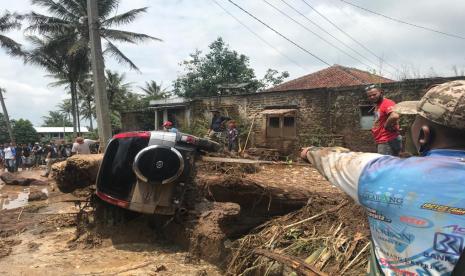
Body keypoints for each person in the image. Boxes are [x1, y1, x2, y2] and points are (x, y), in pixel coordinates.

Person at [301, 80, 465, 275]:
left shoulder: (380, 173)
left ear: (423, 135)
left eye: (414, 121)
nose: (371, 97)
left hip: (386, 144)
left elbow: (335, 160)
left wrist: (308, 152)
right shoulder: (378, 109)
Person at [365, 84, 401, 156]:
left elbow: (395, 115)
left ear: (381, 92)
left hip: (388, 140)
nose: (372, 97)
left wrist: (386, 125)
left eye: (374, 94)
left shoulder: (387, 103)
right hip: (383, 140)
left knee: (385, 165)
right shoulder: (378, 105)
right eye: (369, 96)